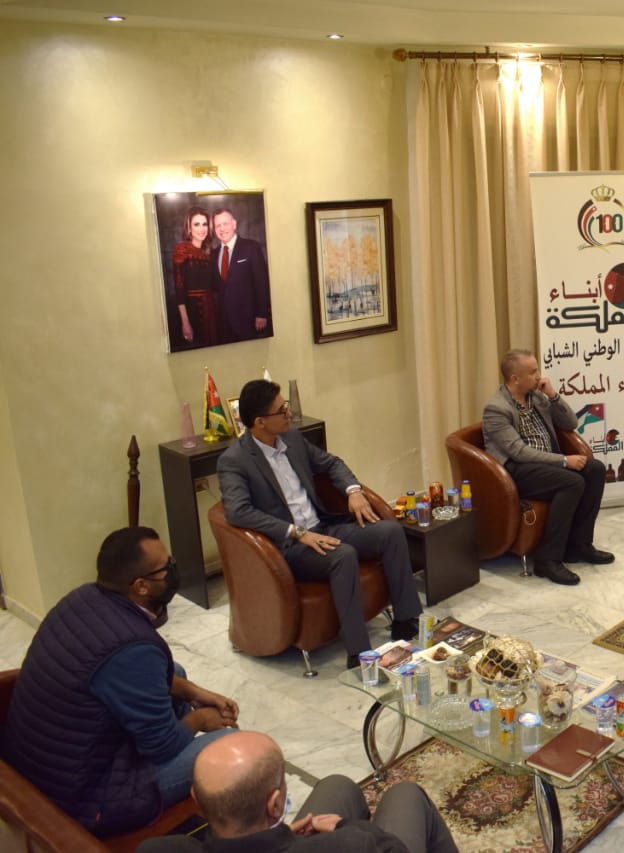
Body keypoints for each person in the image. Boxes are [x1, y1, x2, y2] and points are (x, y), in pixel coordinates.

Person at [1, 527, 239, 837]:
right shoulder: (133, 648)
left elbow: (134, 676)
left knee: (176, 673)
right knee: (230, 745)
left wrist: (196, 693)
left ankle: (177, 732)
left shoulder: (82, 598)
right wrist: (200, 720)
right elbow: (162, 746)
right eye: (166, 567)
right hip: (85, 798)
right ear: (141, 586)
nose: (173, 570)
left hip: (39, 763)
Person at [217, 379, 421, 669]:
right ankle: (359, 653)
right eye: (281, 410)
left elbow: (331, 463)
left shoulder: (292, 439)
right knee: (343, 555)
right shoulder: (235, 460)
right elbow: (238, 512)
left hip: (324, 525)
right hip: (289, 546)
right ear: (260, 422)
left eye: (286, 406)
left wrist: (354, 492)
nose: (289, 413)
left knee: (390, 531)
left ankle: (405, 619)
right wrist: (296, 532)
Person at [138, 731, 459, 853]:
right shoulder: (350, 845)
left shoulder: (157, 850)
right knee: (405, 793)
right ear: (275, 805)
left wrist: (278, 838)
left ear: (197, 801)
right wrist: (344, 825)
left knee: (337, 785)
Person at [482, 348, 611, 586]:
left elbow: (571, 423)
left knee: (595, 470)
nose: (539, 376)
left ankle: (579, 546)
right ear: (515, 378)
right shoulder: (496, 409)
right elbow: (518, 452)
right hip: (517, 471)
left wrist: (552, 395)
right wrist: (564, 461)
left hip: (547, 463)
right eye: (532, 372)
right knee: (572, 481)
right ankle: (547, 560)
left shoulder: (538, 397)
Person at [211, 207, 271, 341]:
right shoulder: (213, 255)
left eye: (225, 223)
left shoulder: (251, 247)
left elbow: (261, 283)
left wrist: (262, 314)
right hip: (223, 323)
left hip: (249, 320)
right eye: (218, 225)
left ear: (234, 224)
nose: (222, 228)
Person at [172, 206, 219, 347]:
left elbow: (216, 286)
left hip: (211, 311)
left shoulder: (210, 252)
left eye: (204, 224)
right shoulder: (182, 250)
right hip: (191, 312)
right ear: (189, 228)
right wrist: (185, 322)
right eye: (196, 224)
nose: (201, 229)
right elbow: (179, 289)